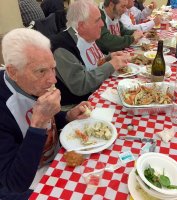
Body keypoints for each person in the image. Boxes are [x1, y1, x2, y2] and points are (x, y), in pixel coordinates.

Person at [0, 28, 91, 199]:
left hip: (56, 157)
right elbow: (14, 183)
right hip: (21, 182)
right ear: (12, 72)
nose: (53, 80)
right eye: (41, 71)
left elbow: (53, 120)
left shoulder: (34, 86)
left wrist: (67, 116)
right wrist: (39, 123)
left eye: (53, 68)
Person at [51, 0, 130, 106]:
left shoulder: (85, 36)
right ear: (81, 25)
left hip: (98, 90)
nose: (102, 24)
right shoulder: (62, 47)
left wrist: (109, 58)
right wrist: (112, 65)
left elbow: (91, 63)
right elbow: (80, 85)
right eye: (97, 20)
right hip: (78, 106)